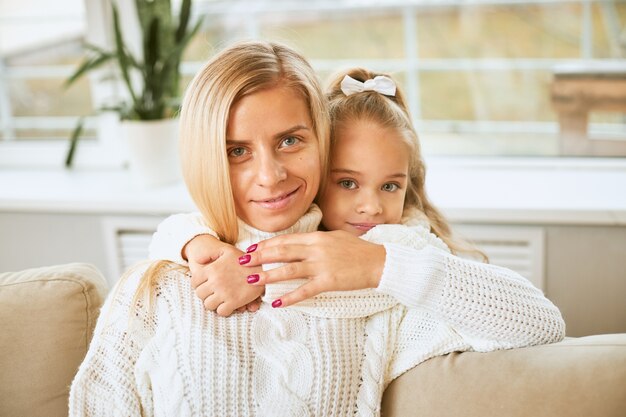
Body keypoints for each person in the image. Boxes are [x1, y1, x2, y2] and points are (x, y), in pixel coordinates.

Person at [69, 41, 565, 417]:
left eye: (289, 140)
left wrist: (378, 265)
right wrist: (198, 244)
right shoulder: (163, 285)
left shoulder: (382, 281)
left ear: (323, 141)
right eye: (236, 150)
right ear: (204, 158)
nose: (270, 175)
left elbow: (540, 325)